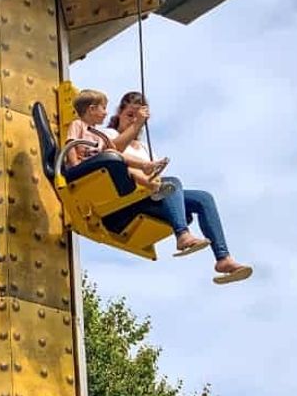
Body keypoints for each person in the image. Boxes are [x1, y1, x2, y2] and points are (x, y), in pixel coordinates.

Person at [104, 91, 253, 284]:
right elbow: (113, 155)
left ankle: (223, 258)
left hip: (148, 195)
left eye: (137, 117)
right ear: (119, 115)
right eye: (129, 115)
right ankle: (182, 235)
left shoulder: (143, 148)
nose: (133, 120)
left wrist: (155, 175)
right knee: (173, 182)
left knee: (203, 198)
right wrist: (138, 125)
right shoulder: (111, 134)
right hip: (127, 200)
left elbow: (153, 177)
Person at [64, 88, 168, 191]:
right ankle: (146, 170)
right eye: (103, 108)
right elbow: (71, 144)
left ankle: (149, 177)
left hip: (96, 165)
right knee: (119, 162)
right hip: (83, 166)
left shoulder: (97, 132)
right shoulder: (78, 124)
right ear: (92, 109)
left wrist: (112, 150)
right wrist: (75, 165)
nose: (106, 113)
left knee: (120, 161)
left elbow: (109, 148)